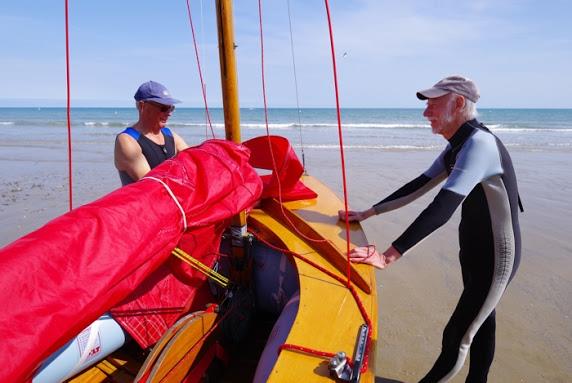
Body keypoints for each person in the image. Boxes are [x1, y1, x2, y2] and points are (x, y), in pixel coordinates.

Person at [339, 75, 522, 383]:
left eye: (434, 104)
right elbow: (420, 185)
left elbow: (442, 208)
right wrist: (367, 212)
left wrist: (387, 257)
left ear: (459, 103)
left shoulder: (480, 144)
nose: (426, 113)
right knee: (480, 323)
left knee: (457, 335)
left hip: (496, 259)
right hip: (474, 252)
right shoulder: (459, 145)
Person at [115, 80, 189, 185]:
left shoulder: (169, 135)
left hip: (173, 198)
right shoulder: (127, 140)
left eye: (171, 108)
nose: (169, 113)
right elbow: (153, 184)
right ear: (142, 106)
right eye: (164, 108)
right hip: (145, 200)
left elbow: (192, 160)